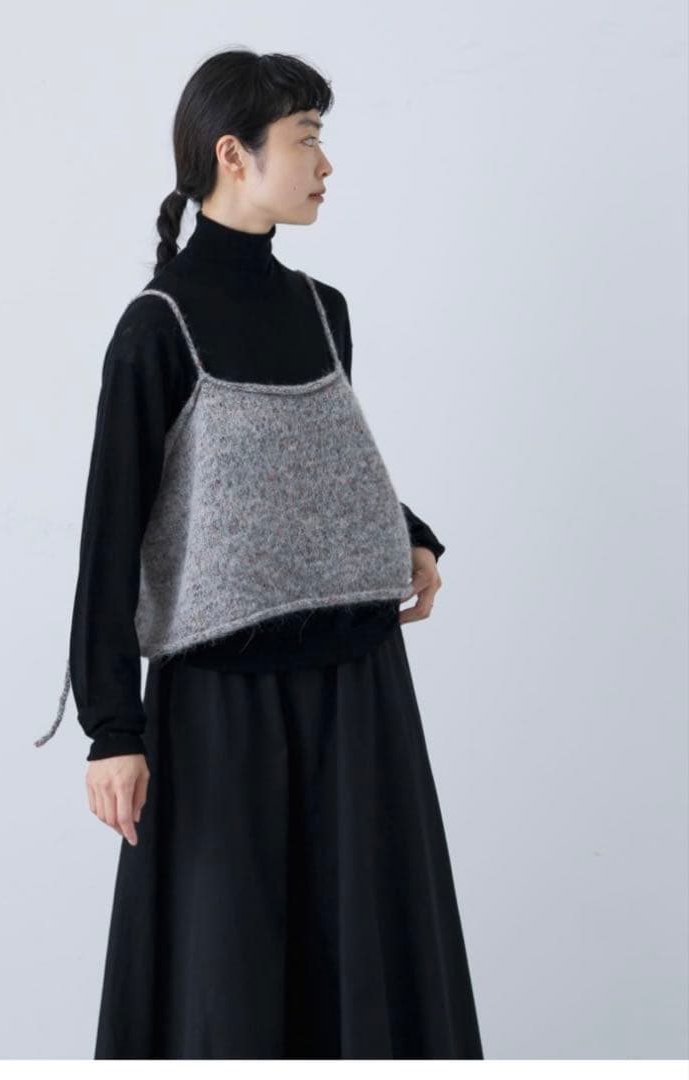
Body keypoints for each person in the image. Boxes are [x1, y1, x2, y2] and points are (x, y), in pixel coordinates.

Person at [34, 48, 484, 1060]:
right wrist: (112, 728)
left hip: (359, 689)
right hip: (219, 707)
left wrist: (406, 534)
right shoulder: (155, 328)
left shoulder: (324, 310)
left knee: (365, 958)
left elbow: (311, 469)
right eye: (307, 140)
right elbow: (110, 532)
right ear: (233, 155)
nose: (326, 165)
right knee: (227, 973)